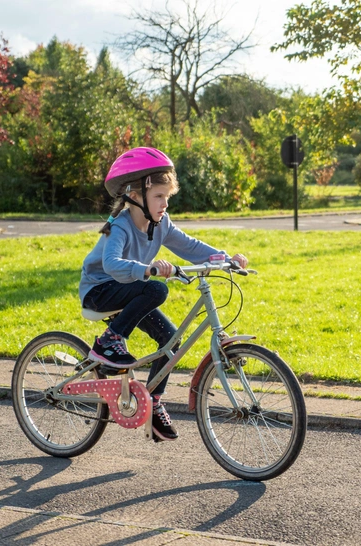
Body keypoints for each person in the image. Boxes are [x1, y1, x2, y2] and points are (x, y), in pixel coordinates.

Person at [79, 147, 248, 442]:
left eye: (167, 197)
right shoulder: (119, 225)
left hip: (128, 292)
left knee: (171, 339)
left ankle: (153, 403)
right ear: (136, 195)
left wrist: (224, 258)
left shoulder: (161, 224)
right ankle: (109, 342)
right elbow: (111, 264)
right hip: (100, 290)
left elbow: (189, 246)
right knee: (156, 288)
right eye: (159, 196)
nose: (165, 204)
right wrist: (148, 269)